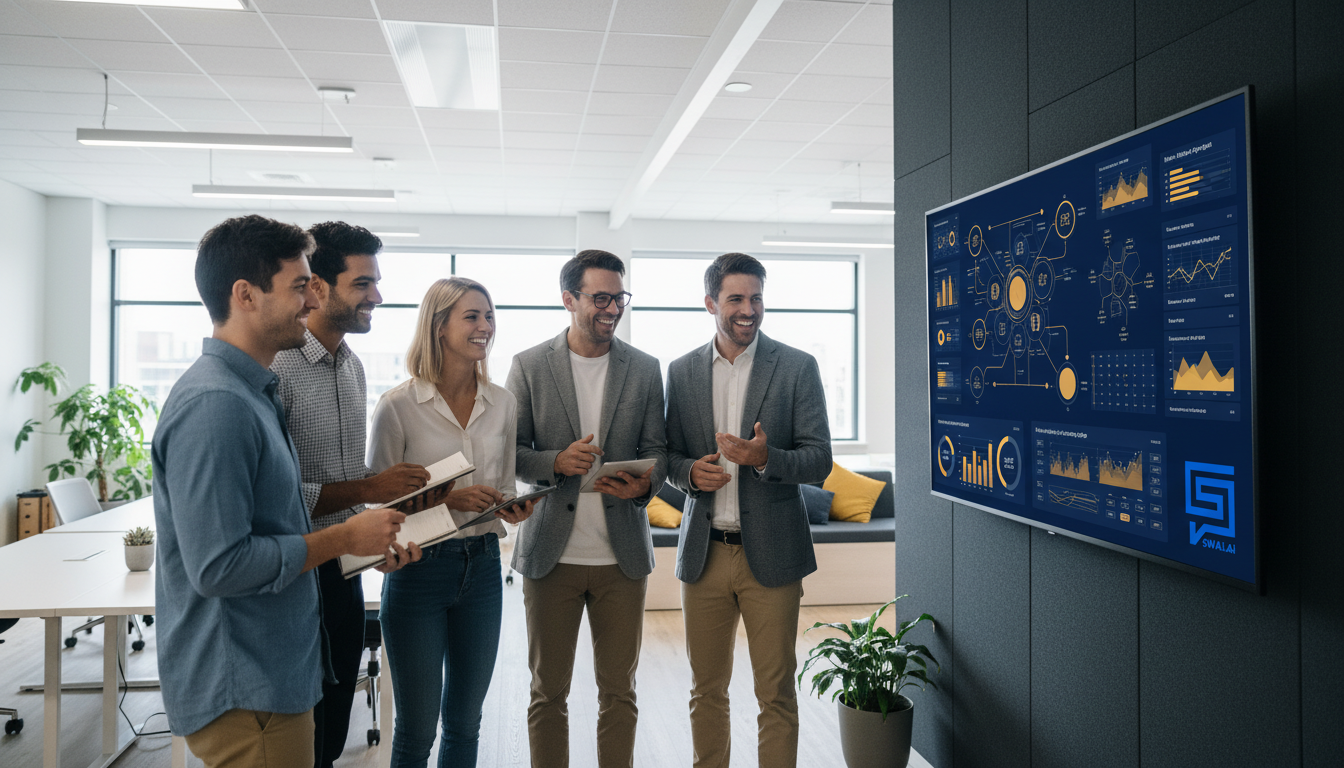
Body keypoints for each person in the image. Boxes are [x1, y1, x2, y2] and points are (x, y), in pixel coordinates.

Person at [153, 214, 416, 768]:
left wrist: (359, 540)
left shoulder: (251, 391)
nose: (310, 300)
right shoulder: (216, 406)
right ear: (245, 295)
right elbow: (220, 566)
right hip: (248, 686)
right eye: (300, 286)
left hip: (276, 666)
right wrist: (345, 533)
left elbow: (274, 520)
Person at [270, 221, 446, 768]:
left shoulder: (352, 367)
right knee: (301, 729)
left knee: (335, 723)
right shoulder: (277, 369)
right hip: (295, 576)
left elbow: (347, 492)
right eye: (363, 283)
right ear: (317, 287)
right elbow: (275, 496)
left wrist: (383, 527)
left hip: (343, 572)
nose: (378, 296)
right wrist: (370, 488)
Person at [663, 252, 832, 768]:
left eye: (756, 298)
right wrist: (690, 473)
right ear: (710, 302)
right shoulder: (683, 371)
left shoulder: (797, 366)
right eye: (736, 298)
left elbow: (819, 458)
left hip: (774, 557)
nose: (748, 309)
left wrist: (765, 459)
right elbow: (667, 456)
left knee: (775, 693)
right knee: (705, 690)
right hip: (705, 555)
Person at [507, 249, 667, 768]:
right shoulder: (529, 365)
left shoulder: (644, 369)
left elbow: (659, 452)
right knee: (547, 693)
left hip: (621, 557)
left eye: (619, 297)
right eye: (601, 298)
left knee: (618, 692)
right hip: (551, 556)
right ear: (568, 299)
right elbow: (509, 450)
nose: (612, 308)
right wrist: (556, 460)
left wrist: (642, 488)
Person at [367, 277, 536, 768]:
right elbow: (375, 510)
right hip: (418, 571)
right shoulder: (398, 407)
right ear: (439, 326)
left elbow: (502, 484)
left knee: (465, 722)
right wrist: (451, 502)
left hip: (482, 567)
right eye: (472, 316)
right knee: (417, 728)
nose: (485, 327)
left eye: (489, 316)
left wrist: (510, 507)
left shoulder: (503, 402)